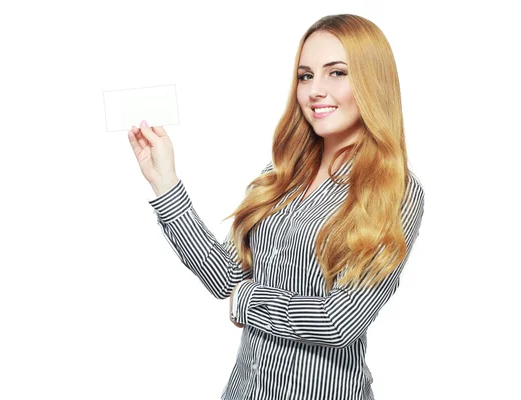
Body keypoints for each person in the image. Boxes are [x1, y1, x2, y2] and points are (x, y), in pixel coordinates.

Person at [127, 13, 424, 400]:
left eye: (337, 73)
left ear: (372, 81)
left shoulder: (393, 189)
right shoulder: (284, 172)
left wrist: (247, 301)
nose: (316, 90)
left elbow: (340, 322)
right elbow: (224, 277)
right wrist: (165, 183)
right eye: (305, 76)